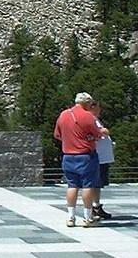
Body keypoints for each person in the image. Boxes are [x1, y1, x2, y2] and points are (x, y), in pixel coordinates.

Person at [53, 92, 106, 227]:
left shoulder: (64, 114)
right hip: (86, 155)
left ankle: (70, 217)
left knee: (72, 186)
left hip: (68, 156)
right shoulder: (88, 116)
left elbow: (57, 135)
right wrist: (102, 132)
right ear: (87, 103)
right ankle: (87, 217)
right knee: (88, 186)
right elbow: (97, 134)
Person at [90, 102, 114, 220]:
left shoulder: (96, 119)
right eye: (97, 108)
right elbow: (93, 134)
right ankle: (92, 208)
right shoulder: (90, 120)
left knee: (98, 184)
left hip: (102, 158)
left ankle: (96, 205)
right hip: (97, 157)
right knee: (94, 183)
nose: (100, 110)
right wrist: (103, 131)